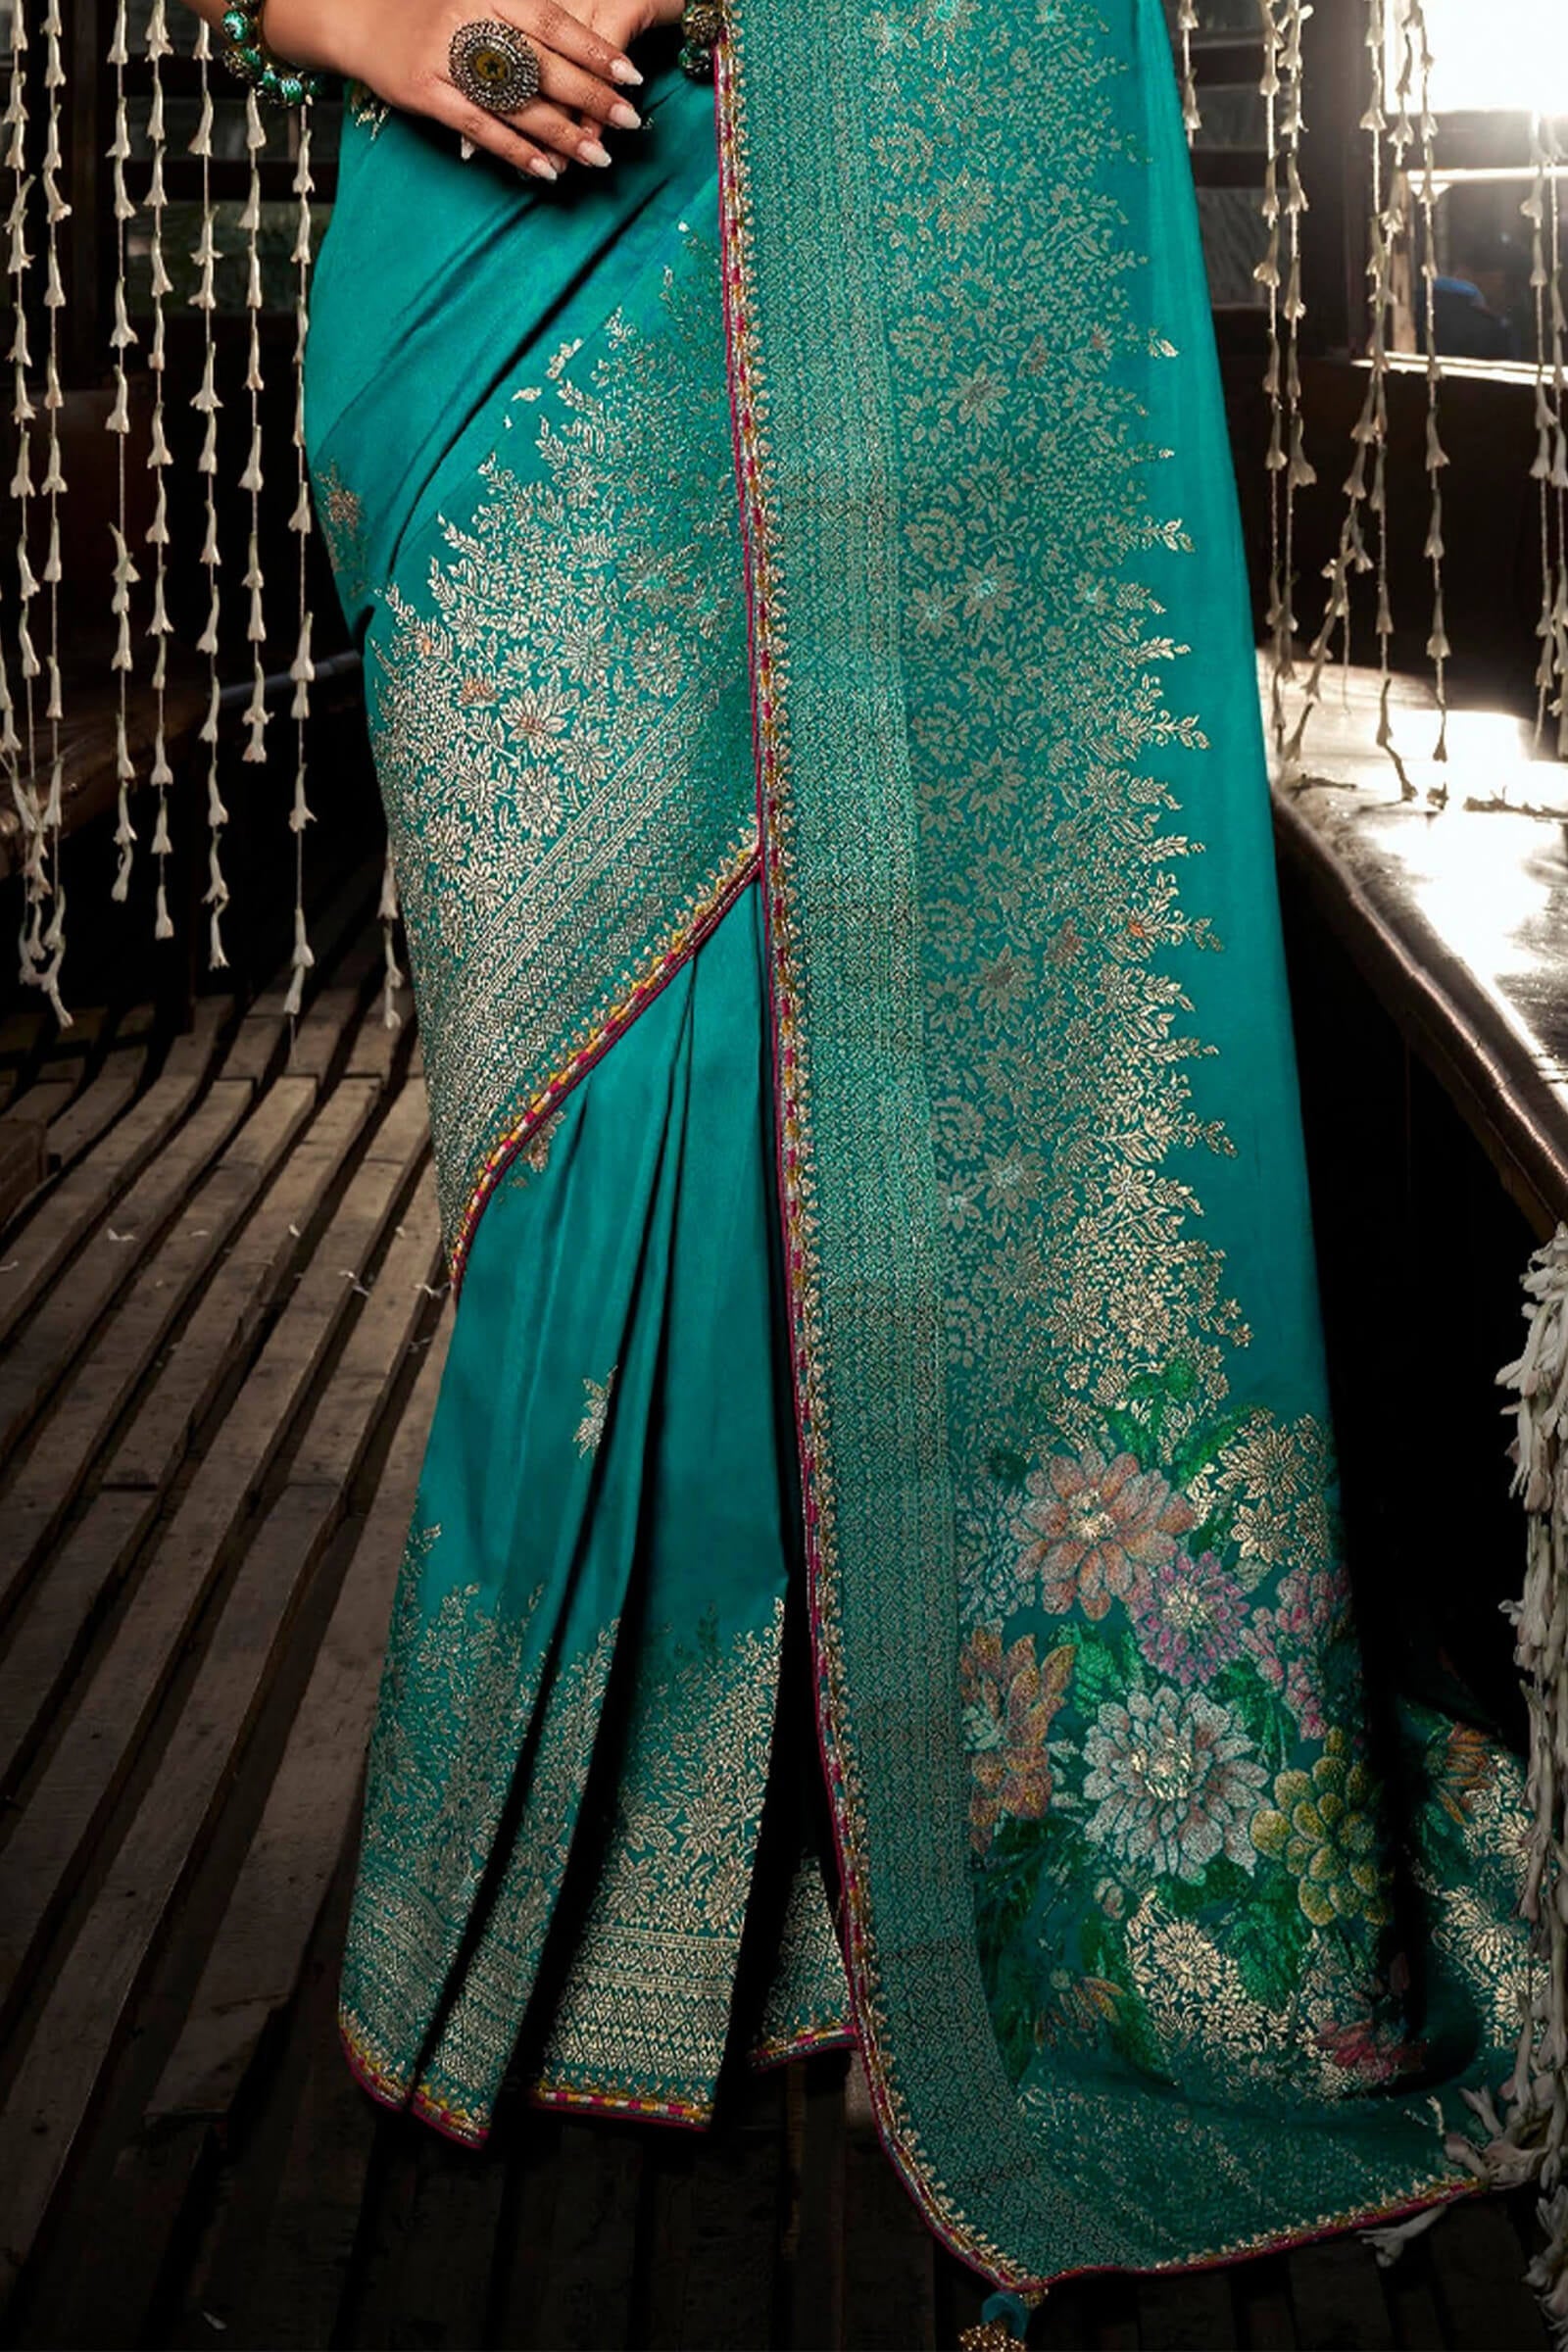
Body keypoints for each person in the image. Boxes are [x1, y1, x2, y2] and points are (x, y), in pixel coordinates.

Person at [182, 0, 1538, 2324]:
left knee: (816, 1060)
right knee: (582, 1099)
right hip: (487, 288)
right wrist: (398, 23)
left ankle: (879, 1865)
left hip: (883, 291)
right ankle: (601, 1894)